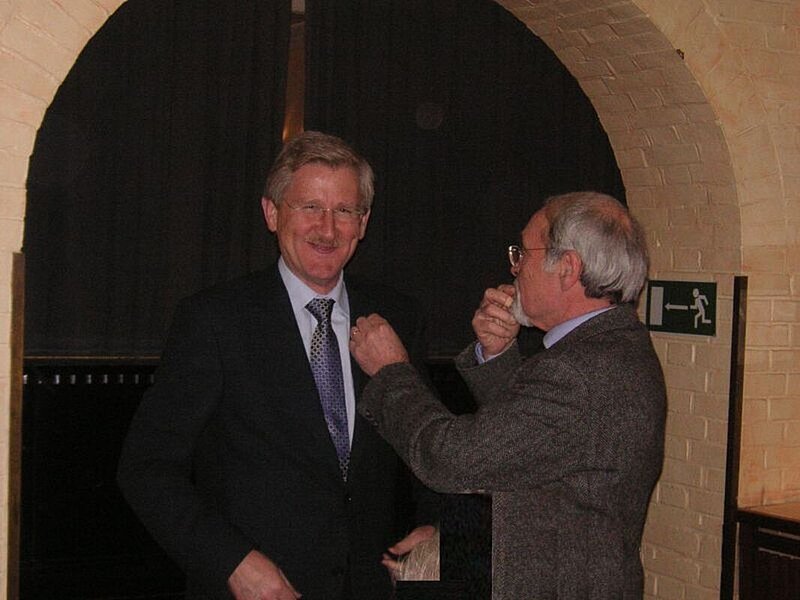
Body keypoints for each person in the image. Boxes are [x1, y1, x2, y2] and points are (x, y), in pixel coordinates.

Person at [117, 131, 438, 600]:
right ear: (272, 213)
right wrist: (231, 563)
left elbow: (428, 449)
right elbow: (146, 468)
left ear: (363, 222)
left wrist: (437, 528)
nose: (327, 230)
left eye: (344, 211)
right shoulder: (214, 321)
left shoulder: (398, 317)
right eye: (310, 207)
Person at [349, 191, 667, 599]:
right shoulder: (613, 347)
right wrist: (453, 541)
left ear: (568, 268)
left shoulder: (578, 371)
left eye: (523, 254)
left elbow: (454, 460)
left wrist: (391, 371)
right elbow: (538, 462)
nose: (514, 267)